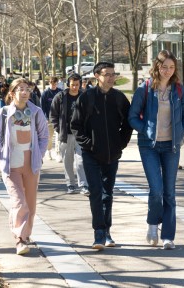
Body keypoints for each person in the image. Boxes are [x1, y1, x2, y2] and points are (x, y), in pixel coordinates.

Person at [128, 50, 184, 249]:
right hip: (150, 146)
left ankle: (168, 236)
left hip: (171, 146)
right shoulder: (145, 89)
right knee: (156, 190)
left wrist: (181, 133)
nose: (168, 70)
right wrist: (145, 131)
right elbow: (132, 116)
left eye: (171, 67)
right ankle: (152, 223)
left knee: (169, 193)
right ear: (157, 67)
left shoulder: (179, 90)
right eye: (164, 66)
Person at [70, 62, 133, 250]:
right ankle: (98, 233)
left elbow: (128, 124)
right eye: (107, 74)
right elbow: (76, 125)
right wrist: (88, 145)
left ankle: (107, 232)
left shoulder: (120, 98)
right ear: (97, 76)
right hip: (91, 155)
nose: (111, 78)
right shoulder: (86, 98)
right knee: (96, 192)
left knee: (108, 193)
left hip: (112, 154)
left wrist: (120, 144)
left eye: (113, 74)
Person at [0, 78, 49, 256]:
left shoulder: (36, 112)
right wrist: (1, 154)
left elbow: (44, 136)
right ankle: (20, 239)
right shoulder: (5, 113)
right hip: (11, 165)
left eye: (27, 89)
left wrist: (40, 153)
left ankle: (25, 234)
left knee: (29, 204)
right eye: (20, 89)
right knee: (19, 201)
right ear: (12, 93)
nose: (25, 92)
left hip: (31, 164)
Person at [50, 73, 89, 195]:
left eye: (77, 85)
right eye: (72, 85)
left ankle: (83, 184)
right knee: (67, 161)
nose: (75, 87)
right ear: (68, 84)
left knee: (81, 160)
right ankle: (70, 184)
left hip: (81, 134)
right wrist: (58, 128)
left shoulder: (84, 96)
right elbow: (53, 115)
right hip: (65, 134)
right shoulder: (60, 97)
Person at [40, 77, 61, 160]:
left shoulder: (60, 92)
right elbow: (42, 107)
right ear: (49, 83)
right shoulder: (45, 93)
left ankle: (58, 152)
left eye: (55, 84)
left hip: (59, 118)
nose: (53, 85)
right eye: (52, 84)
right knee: (49, 136)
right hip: (49, 118)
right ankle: (48, 152)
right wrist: (45, 118)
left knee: (58, 136)